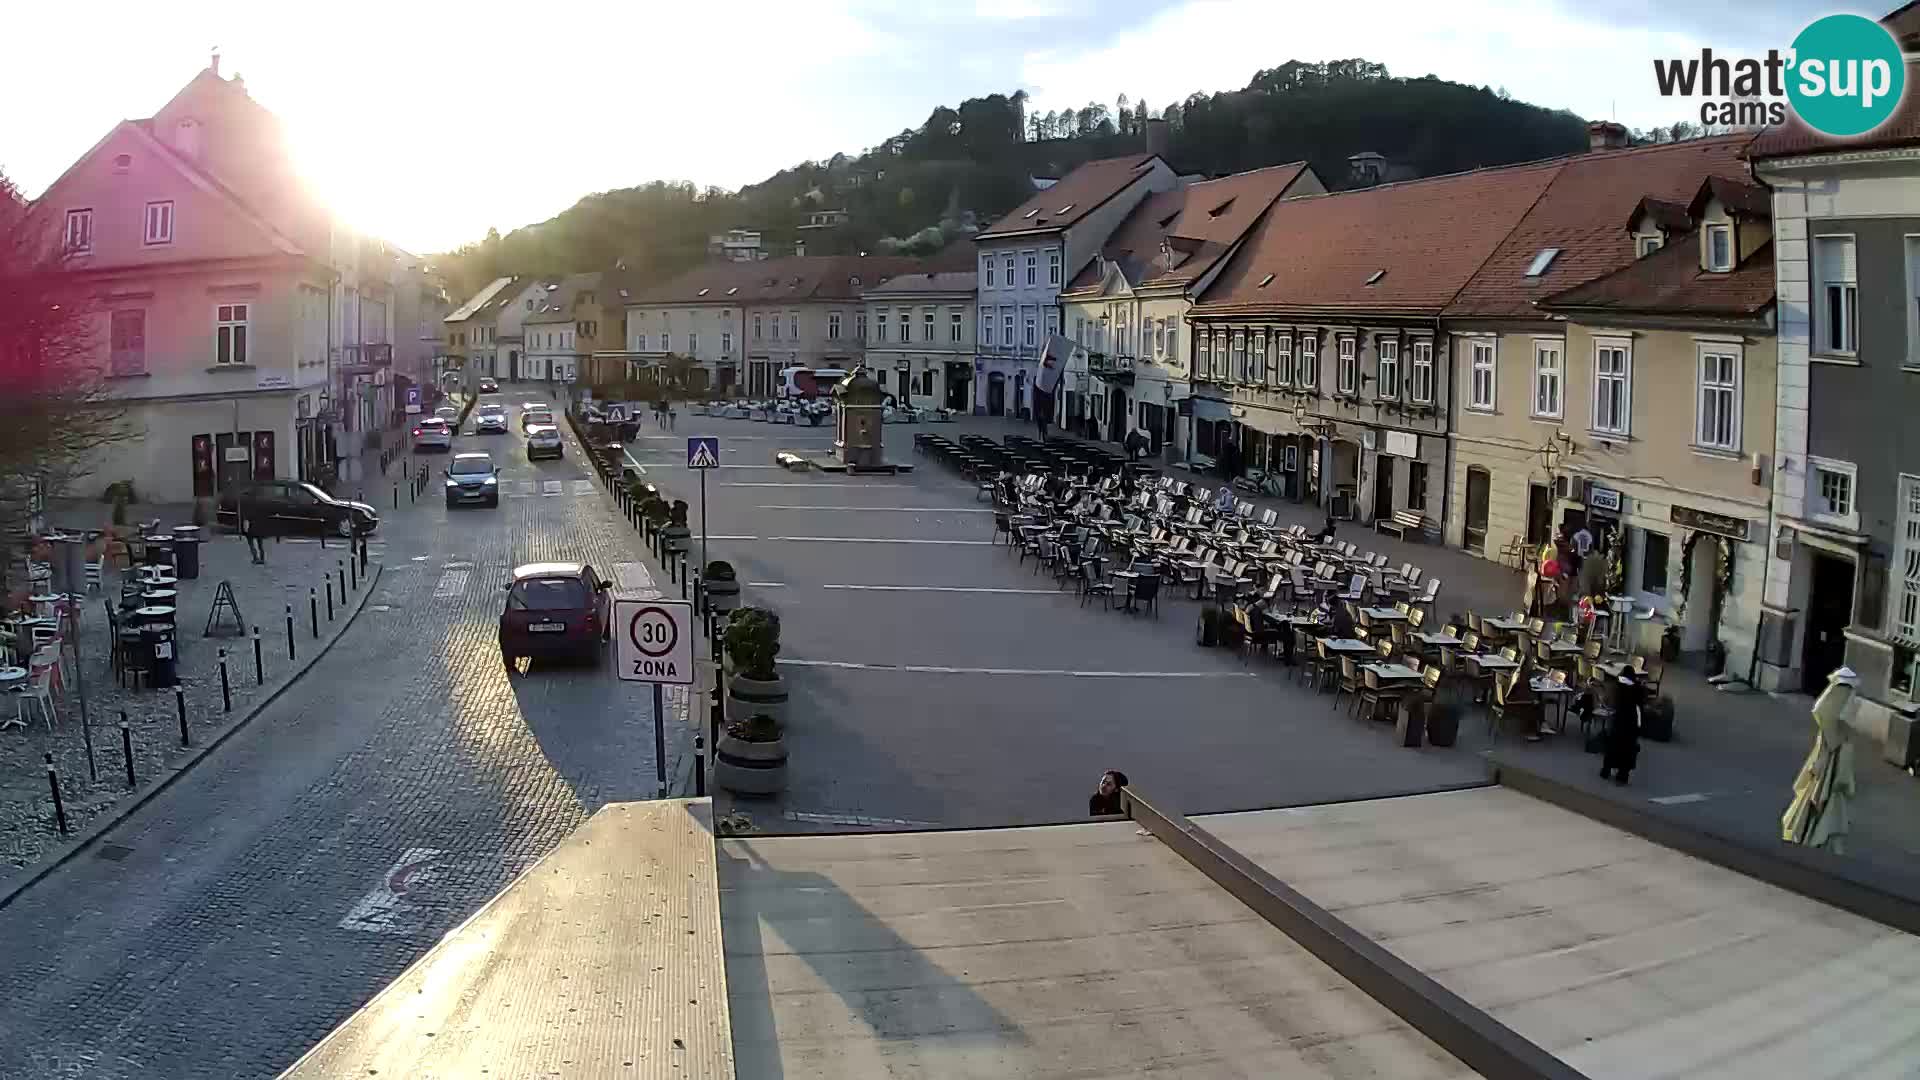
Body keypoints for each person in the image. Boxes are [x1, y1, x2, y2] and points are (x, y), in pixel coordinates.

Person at [1783, 666, 1859, 853]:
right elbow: (1824, 714)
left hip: (1829, 757)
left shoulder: (1839, 700)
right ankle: (1819, 839)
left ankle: (1811, 835)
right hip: (1831, 758)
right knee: (1825, 797)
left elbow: (1821, 712)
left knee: (1820, 795)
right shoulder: (1845, 701)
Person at [1599, 669, 1643, 785]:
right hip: (1631, 723)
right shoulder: (1638, 688)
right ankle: (1622, 775)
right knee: (1628, 750)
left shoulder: (1618, 687)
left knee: (1612, 746)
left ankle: (1606, 771)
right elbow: (1640, 705)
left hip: (1618, 720)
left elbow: (1609, 702)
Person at [240, 493, 267, 565]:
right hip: (260, 528)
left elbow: (246, 520)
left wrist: (245, 529)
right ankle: (262, 558)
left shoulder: (247, 508)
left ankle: (255, 558)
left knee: (251, 544)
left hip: (251, 528)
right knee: (260, 544)